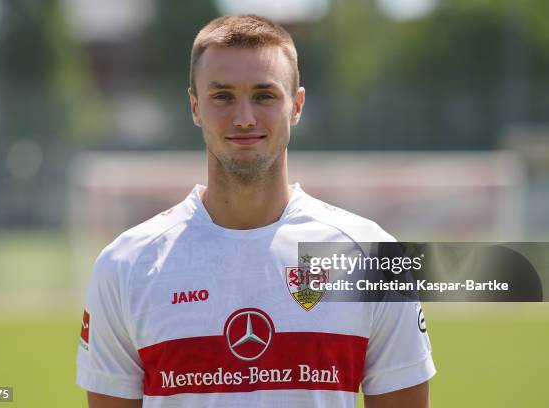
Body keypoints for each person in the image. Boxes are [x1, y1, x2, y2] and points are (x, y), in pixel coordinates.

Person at [76, 14, 436, 408]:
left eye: (264, 95)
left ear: (296, 105)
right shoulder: (126, 265)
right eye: (222, 96)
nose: (244, 117)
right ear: (195, 107)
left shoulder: (371, 255)